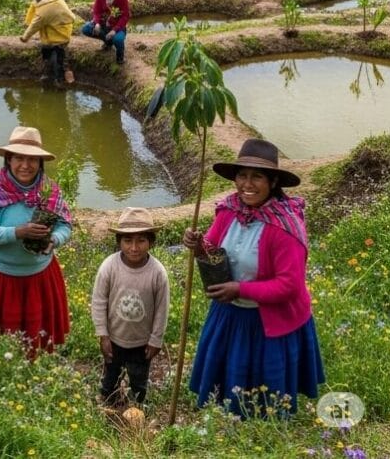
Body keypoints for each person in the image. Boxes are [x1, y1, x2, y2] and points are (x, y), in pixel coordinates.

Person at [182, 138, 325, 418]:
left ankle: (266, 425)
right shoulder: (231, 210)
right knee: (234, 373)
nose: (247, 183)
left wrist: (239, 288)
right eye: (242, 175)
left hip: (268, 319)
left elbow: (289, 285)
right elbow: (213, 248)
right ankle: (233, 414)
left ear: (273, 182)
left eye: (257, 176)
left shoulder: (285, 227)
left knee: (267, 389)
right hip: (232, 313)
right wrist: (197, 244)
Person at [0, 126, 72, 358]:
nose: (25, 165)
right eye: (19, 158)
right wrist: (19, 232)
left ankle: (31, 372)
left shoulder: (48, 190)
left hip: (38, 278)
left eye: (32, 159)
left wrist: (54, 239)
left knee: (35, 340)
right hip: (0, 279)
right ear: (8, 160)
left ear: (40, 163)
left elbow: (65, 225)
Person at [90, 207, 169, 407]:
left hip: (142, 343)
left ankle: (138, 407)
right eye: (127, 241)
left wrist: (155, 340)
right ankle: (108, 402)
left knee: (139, 378)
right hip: (114, 339)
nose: (134, 247)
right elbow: (99, 301)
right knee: (110, 375)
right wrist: (103, 334)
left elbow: (161, 309)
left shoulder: (157, 273)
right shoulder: (109, 267)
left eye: (141, 240)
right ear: (119, 242)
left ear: (151, 242)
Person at [20, 0, 76, 85]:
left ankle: (60, 80)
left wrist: (25, 37)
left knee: (60, 58)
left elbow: (34, 25)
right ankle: (47, 74)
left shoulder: (45, 10)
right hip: (55, 34)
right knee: (46, 52)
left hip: (58, 35)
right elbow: (72, 17)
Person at [80, 0, 130, 64]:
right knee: (86, 28)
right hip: (104, 25)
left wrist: (114, 30)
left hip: (118, 27)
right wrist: (97, 23)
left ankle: (120, 59)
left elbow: (125, 17)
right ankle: (108, 43)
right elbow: (96, 12)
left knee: (118, 40)